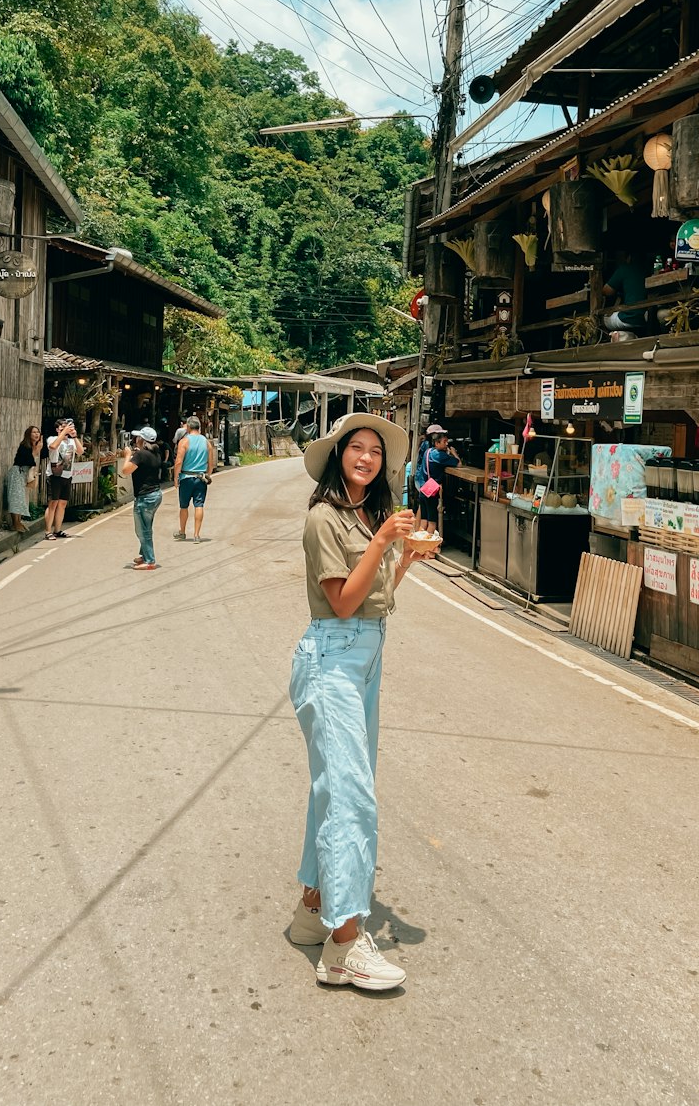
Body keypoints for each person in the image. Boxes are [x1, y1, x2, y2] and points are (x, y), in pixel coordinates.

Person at [287, 413, 440, 991]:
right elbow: (342, 605)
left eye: (377, 451)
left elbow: (374, 599)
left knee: (336, 787)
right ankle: (344, 943)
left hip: (365, 658)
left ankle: (312, 907)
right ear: (338, 457)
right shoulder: (324, 518)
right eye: (357, 447)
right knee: (352, 796)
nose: (368, 457)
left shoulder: (367, 515)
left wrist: (402, 560)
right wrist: (382, 541)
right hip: (331, 661)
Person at [121, 426, 163, 570]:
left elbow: (125, 470)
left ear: (141, 440)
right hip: (155, 494)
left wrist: (128, 455)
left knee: (142, 530)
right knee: (147, 527)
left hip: (145, 497)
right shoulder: (155, 453)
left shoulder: (140, 455)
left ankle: (150, 560)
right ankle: (144, 554)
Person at [173, 415, 214, 543]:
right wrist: (207, 473)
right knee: (199, 505)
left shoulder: (184, 441)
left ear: (188, 427)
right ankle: (196, 535)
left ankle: (182, 532)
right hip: (201, 478)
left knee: (184, 506)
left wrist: (175, 477)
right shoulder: (206, 442)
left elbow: (178, 462)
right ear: (199, 427)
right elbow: (211, 464)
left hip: (186, 477)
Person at [43, 419, 82, 541]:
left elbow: (80, 451)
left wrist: (74, 436)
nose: (65, 430)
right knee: (53, 503)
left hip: (67, 474)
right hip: (55, 475)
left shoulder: (71, 441)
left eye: (67, 428)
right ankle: (48, 531)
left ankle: (58, 530)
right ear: (57, 429)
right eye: (62, 428)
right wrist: (62, 433)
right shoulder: (52, 439)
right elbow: (53, 446)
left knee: (62, 503)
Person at [417, 431, 461, 535]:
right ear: (437, 443)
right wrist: (454, 453)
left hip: (423, 489)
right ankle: (427, 547)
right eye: (444, 441)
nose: (447, 444)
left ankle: (419, 545)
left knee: (424, 522)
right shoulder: (440, 455)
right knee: (432, 523)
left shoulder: (428, 451)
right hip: (431, 491)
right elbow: (458, 463)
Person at [602, 251, 647, 341]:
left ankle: (605, 341)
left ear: (629, 258)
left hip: (629, 318)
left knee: (602, 319)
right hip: (647, 317)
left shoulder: (624, 269)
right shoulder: (648, 270)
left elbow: (606, 291)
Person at [6, 425, 42, 533]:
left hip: (23, 474)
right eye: (33, 432)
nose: (36, 434)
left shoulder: (32, 446)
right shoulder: (24, 446)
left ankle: (19, 522)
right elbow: (29, 461)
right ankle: (15, 523)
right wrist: (36, 450)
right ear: (28, 434)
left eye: (37, 432)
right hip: (18, 473)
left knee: (21, 498)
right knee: (15, 498)